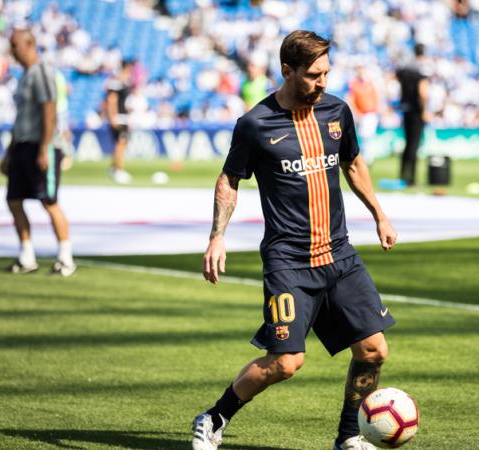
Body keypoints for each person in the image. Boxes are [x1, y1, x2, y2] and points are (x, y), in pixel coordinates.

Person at [192, 30, 398, 450]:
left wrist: (379, 213)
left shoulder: (337, 112)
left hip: (340, 255)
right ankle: (213, 419)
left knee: (374, 349)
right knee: (286, 363)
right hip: (290, 263)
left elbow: (353, 164)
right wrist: (217, 237)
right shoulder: (255, 124)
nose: (323, 83)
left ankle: (349, 437)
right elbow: (230, 179)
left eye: (327, 73)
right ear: (287, 71)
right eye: (313, 75)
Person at [0, 28, 75, 277]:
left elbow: (49, 109)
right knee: (13, 200)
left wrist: (44, 147)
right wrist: (10, 152)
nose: (12, 50)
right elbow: (21, 118)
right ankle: (27, 256)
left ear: (30, 44)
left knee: (49, 201)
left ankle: (65, 258)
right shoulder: (24, 76)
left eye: (15, 44)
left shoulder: (42, 72)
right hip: (23, 145)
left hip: (41, 145)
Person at [395, 44, 429, 187]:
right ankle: (411, 179)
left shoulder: (406, 68)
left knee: (407, 144)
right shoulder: (421, 68)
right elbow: (423, 92)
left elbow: (397, 77)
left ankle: (402, 175)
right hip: (416, 111)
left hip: (406, 109)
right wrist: (424, 110)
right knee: (414, 145)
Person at [105, 59, 134, 184]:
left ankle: (114, 168)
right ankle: (118, 170)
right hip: (119, 118)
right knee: (121, 144)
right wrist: (113, 117)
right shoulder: (116, 83)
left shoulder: (123, 83)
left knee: (122, 144)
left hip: (123, 117)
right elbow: (112, 100)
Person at [347, 64, 380, 165]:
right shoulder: (354, 84)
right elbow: (351, 99)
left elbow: (375, 97)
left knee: (369, 136)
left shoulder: (369, 83)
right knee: (364, 136)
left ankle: (368, 158)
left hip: (371, 113)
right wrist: (357, 113)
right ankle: (365, 158)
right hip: (362, 114)